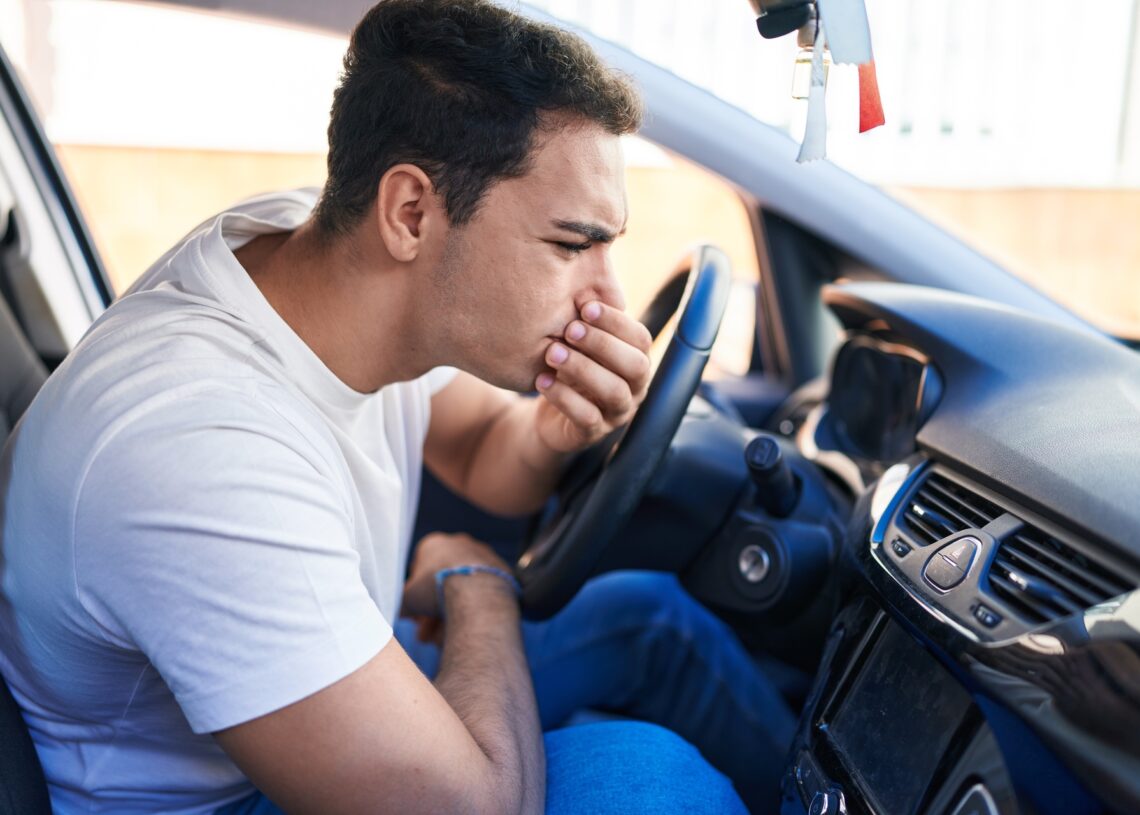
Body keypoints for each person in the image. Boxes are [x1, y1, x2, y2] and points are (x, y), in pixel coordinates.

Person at [0, 1, 795, 812]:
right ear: (410, 212)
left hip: (287, 696)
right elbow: (474, 807)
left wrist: (557, 432)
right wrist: (476, 584)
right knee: (655, 781)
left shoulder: (317, 254)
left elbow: (486, 447)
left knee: (652, 617)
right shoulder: (197, 445)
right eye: (570, 246)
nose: (608, 298)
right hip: (216, 798)